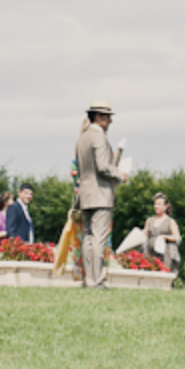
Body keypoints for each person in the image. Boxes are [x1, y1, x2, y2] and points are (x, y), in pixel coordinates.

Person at [74, 100, 127, 290]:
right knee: (99, 238)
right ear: (98, 116)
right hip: (101, 194)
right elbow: (103, 167)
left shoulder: (81, 139)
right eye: (107, 117)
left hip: (85, 195)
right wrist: (121, 175)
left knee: (88, 237)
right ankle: (96, 280)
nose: (110, 121)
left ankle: (89, 279)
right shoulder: (99, 137)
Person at [142, 193, 182, 276]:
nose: (156, 206)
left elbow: (177, 238)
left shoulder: (170, 221)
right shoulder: (149, 220)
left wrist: (164, 237)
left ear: (165, 206)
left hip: (165, 254)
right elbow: (144, 235)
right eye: (155, 204)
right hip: (150, 254)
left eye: (159, 204)